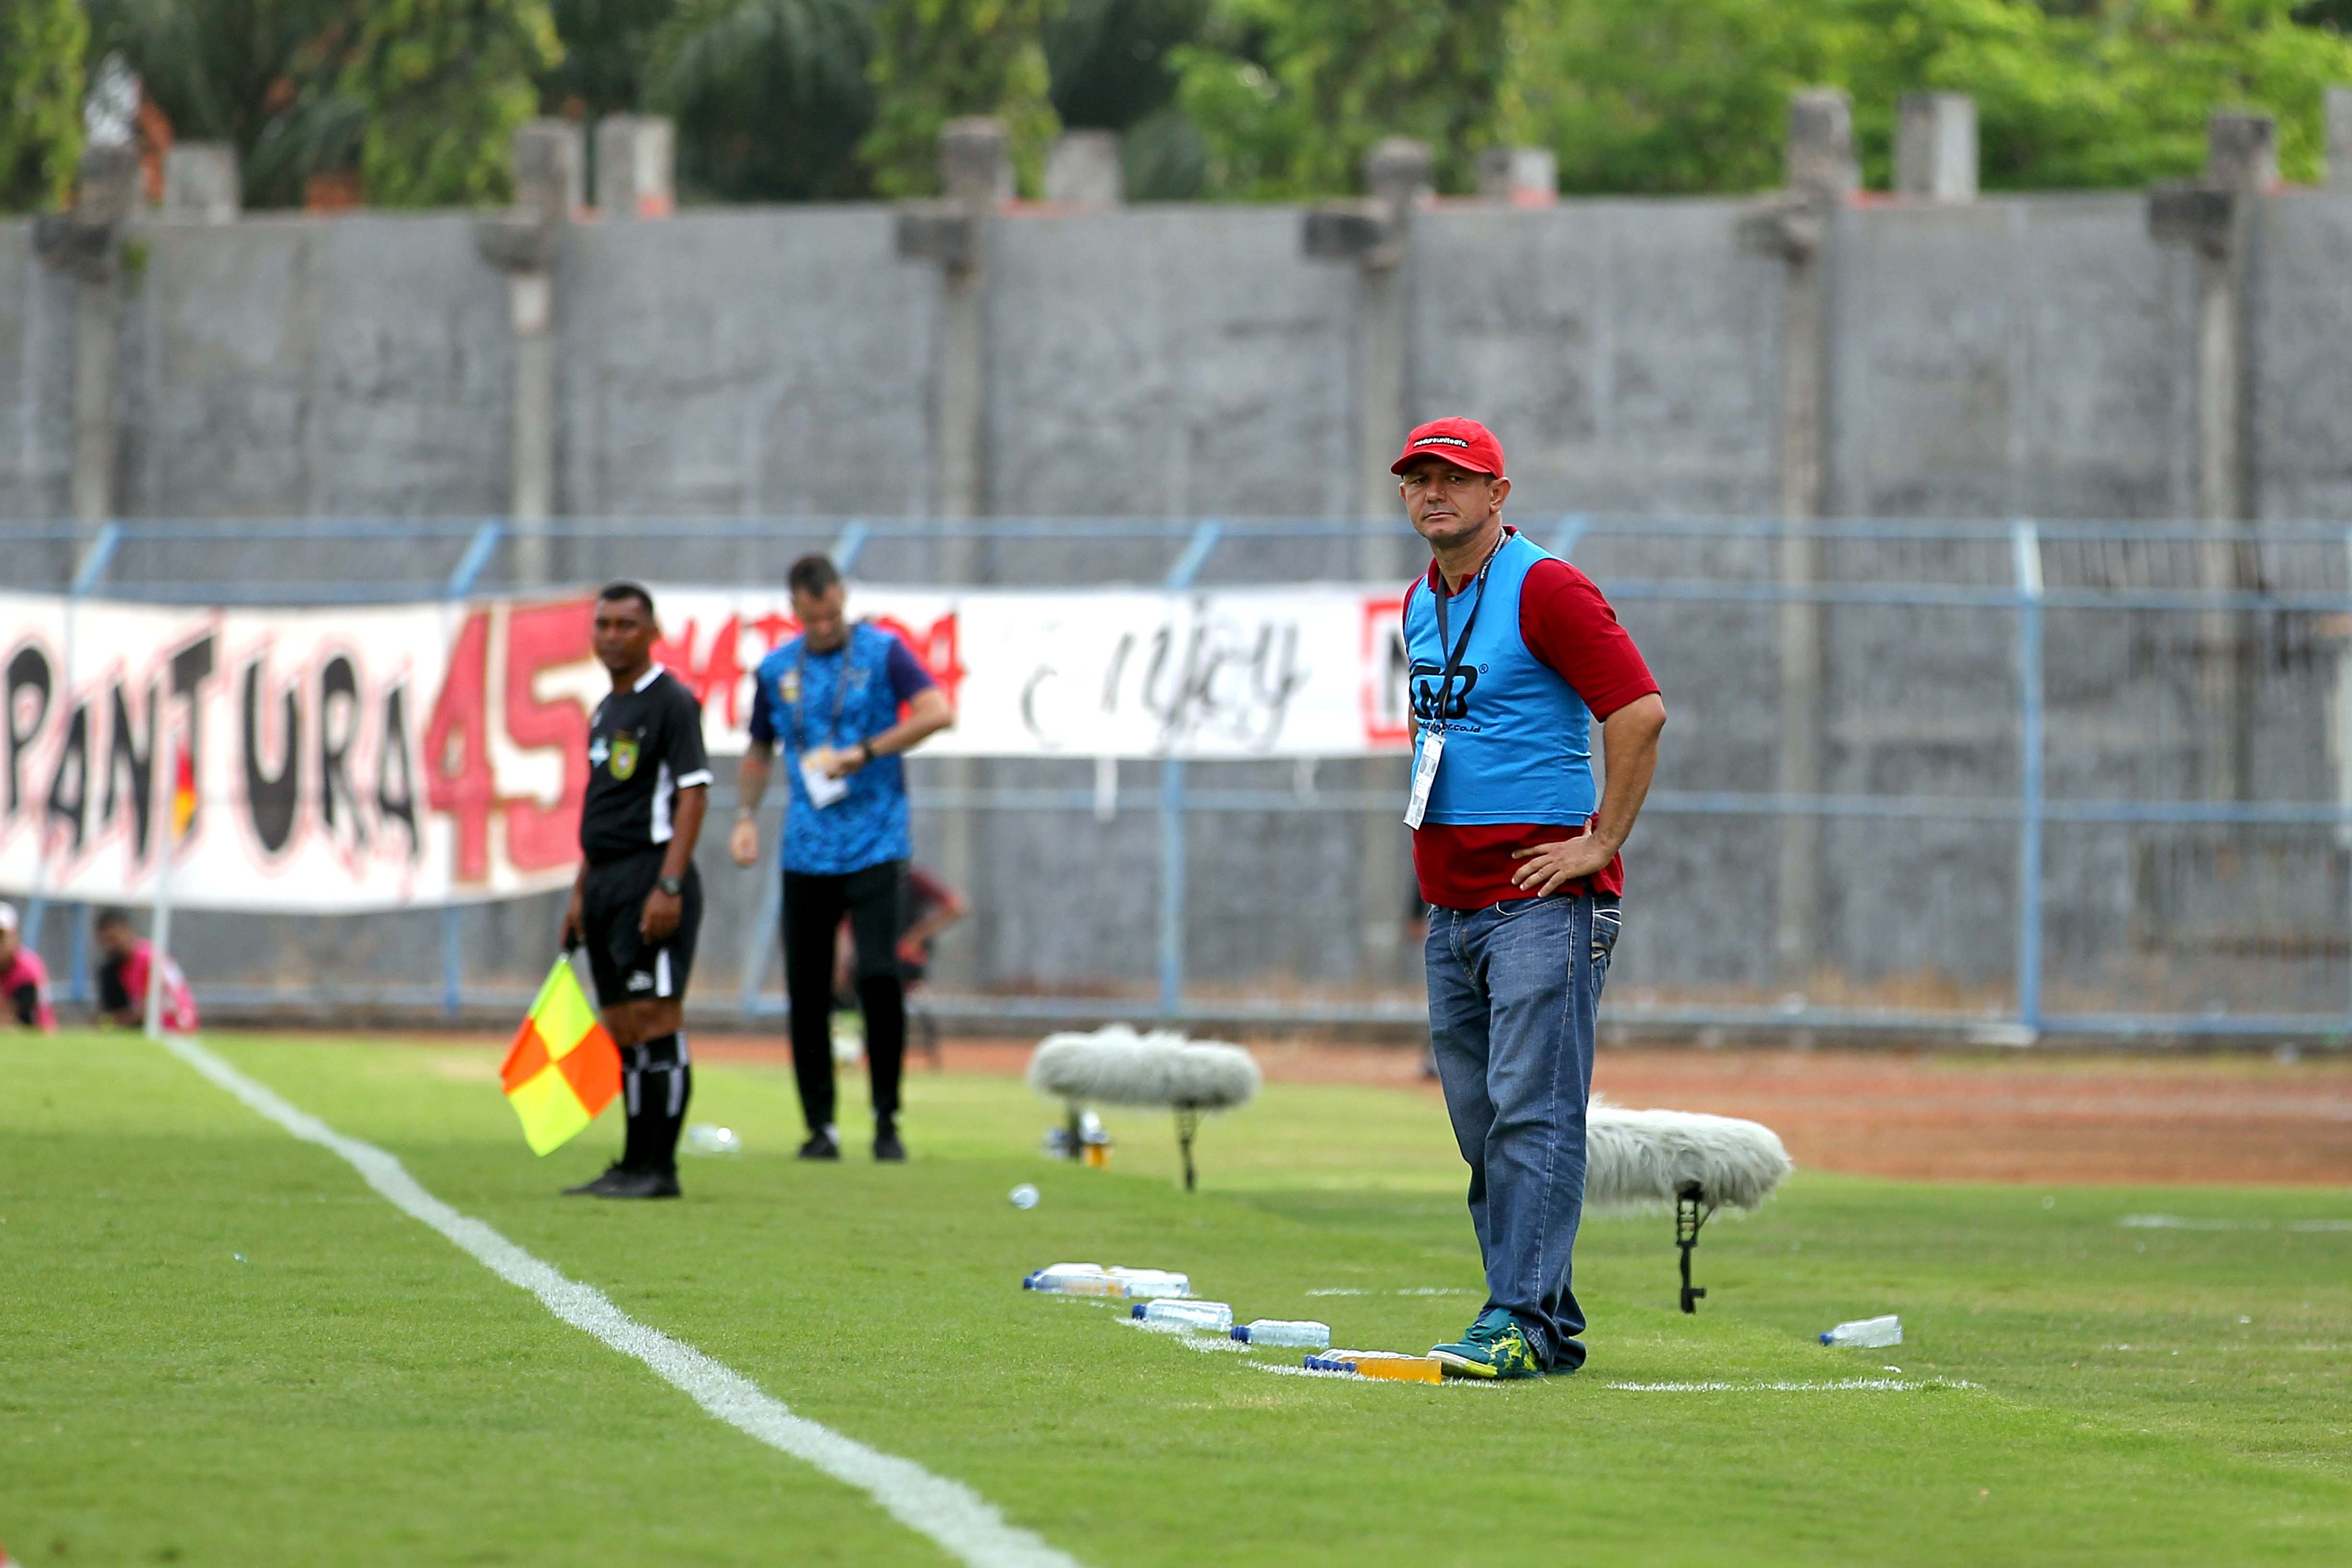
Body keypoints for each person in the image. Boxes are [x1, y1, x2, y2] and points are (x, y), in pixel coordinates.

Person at [1396, 417, 1667, 1380]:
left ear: (1499, 494)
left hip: (1541, 905)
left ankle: (1516, 1315)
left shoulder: (1546, 585)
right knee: (1483, 1124)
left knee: (1533, 1114)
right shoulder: (1419, 602)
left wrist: (1601, 841)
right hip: (1455, 907)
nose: (1437, 493)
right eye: (1420, 479)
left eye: (1457, 479)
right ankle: (1539, 1316)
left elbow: (1638, 711)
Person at [732, 554, 954, 1162]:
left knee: (879, 973)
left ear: (843, 598)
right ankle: (819, 1126)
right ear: (796, 611)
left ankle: (887, 1118)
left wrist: (867, 751)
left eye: (832, 614)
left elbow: (939, 712)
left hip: (877, 841)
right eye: (813, 617)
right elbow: (758, 750)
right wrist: (746, 818)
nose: (825, 626)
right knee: (807, 988)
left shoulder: (884, 654)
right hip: (806, 848)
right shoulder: (778, 670)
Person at [559, 583, 714, 1200]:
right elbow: (604, 808)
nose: (613, 635)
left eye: (627, 625)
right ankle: (631, 1162)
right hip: (605, 882)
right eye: (604, 624)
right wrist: (580, 892)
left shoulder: (670, 701)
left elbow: (694, 792)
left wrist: (669, 884)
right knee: (622, 1025)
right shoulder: (606, 709)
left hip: (652, 877)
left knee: (657, 1022)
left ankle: (661, 1169)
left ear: (652, 633)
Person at [831, 864, 968, 1069]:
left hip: (901, 965)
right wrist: (842, 962)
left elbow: (957, 907)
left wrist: (916, 937)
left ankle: (871, 1047)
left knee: (875, 979)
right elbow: (845, 926)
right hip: (866, 963)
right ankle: (847, 1044)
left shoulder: (912, 880)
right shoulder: (860, 880)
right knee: (841, 981)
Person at [93, 906, 200, 1033]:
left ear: (127, 931)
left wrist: (112, 1022)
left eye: (114, 939)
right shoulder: (126, 964)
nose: (111, 946)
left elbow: (149, 1008)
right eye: (105, 941)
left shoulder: (146, 959)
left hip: (173, 1023)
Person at [0, 903, 57, 1033]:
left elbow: (20, 1018)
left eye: (1, 937)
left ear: (14, 936)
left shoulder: (27, 969)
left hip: (34, 1033)